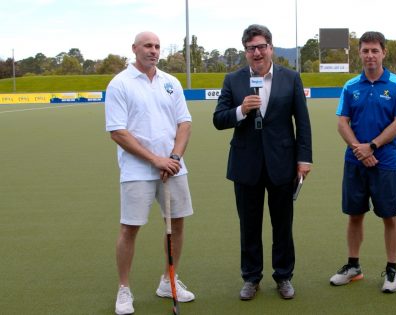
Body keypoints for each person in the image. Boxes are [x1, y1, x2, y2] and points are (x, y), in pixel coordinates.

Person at [213, 24, 312, 301]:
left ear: (271, 48)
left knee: (283, 225)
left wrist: (304, 158)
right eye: (250, 48)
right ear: (245, 52)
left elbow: (302, 122)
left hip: (282, 163)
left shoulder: (290, 78)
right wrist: (241, 110)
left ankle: (283, 276)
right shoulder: (233, 80)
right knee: (249, 225)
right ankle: (251, 277)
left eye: (260, 47)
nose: (256, 53)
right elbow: (218, 119)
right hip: (246, 165)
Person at [105, 31, 195, 315]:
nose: (153, 50)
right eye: (147, 45)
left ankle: (168, 281)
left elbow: (185, 123)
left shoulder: (171, 82)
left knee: (177, 224)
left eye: (157, 46)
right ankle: (123, 289)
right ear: (134, 49)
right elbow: (118, 132)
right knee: (130, 228)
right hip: (137, 170)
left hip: (173, 168)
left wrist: (174, 157)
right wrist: (156, 160)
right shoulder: (120, 84)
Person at [330, 31, 396, 293]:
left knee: (390, 217)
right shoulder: (350, 86)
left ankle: (391, 271)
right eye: (365, 50)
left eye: (375, 50)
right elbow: (342, 122)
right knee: (355, 216)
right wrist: (359, 150)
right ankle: (353, 266)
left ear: (383, 53)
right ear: (360, 54)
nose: (370, 55)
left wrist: (372, 146)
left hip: (385, 162)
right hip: (355, 162)